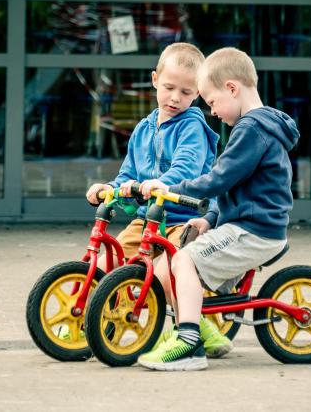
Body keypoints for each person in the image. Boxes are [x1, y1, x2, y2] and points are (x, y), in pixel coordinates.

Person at [138, 46, 299, 371]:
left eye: (212, 102)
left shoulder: (252, 129)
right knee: (186, 253)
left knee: (183, 260)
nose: (212, 111)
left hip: (253, 231)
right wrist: (210, 219)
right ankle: (192, 331)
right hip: (249, 226)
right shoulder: (257, 127)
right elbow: (238, 187)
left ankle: (188, 343)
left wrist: (171, 190)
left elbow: (219, 179)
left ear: (232, 88)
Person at [86, 42, 230, 358]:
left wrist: (161, 184)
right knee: (109, 263)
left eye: (186, 92)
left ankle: (198, 330)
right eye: (169, 88)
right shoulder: (143, 129)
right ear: (155, 80)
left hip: (183, 220)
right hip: (147, 220)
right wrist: (109, 188)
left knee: (169, 273)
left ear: (198, 93)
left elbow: (187, 167)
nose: (175, 97)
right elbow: (128, 175)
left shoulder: (192, 126)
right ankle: (92, 322)